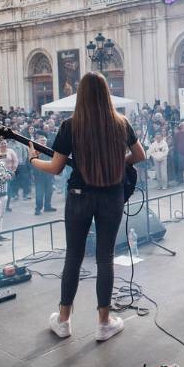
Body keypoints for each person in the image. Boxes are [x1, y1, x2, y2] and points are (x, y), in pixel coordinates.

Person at [28, 72, 145, 342]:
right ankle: (104, 323)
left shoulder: (71, 126)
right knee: (105, 258)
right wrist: (119, 164)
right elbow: (140, 155)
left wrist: (34, 159)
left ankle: (64, 320)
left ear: (80, 95)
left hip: (80, 195)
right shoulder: (121, 123)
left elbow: (56, 167)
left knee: (74, 256)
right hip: (111, 196)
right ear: (106, 94)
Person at [33, 135, 56, 215]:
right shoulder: (35, 151)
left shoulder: (49, 150)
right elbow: (32, 162)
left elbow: (53, 160)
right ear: (39, 141)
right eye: (42, 140)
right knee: (39, 192)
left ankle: (47, 206)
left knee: (49, 192)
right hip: (39, 175)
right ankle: (38, 208)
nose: (43, 142)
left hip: (49, 175)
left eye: (44, 140)